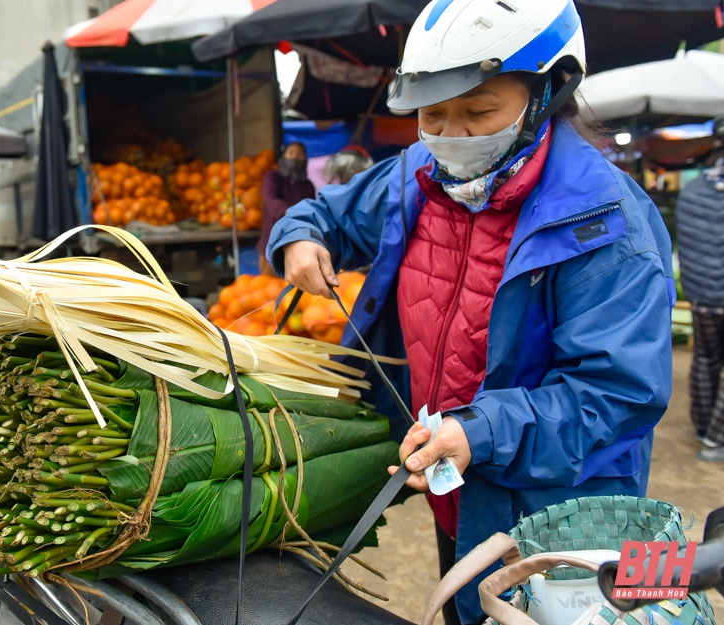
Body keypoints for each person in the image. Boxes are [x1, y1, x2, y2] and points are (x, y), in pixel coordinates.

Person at [265, 1, 674, 623]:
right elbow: (326, 213)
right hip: (456, 485)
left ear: (549, 91)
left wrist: (479, 431)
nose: (450, 136)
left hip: (554, 511)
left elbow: (617, 393)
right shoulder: (414, 176)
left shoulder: (605, 225)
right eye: (432, 115)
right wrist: (299, 237)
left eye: (479, 112)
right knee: (465, 603)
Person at [676, 112, 724, 463]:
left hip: (701, 296)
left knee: (705, 359)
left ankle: (703, 426)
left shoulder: (693, 191)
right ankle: (718, 440)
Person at [257, 142, 315, 276]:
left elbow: (311, 208)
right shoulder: (272, 177)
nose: (295, 157)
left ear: (305, 160)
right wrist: (288, 212)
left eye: (299, 154)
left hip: (299, 240)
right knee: (269, 284)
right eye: (291, 153)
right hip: (273, 238)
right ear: (284, 156)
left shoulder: (308, 185)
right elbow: (270, 199)